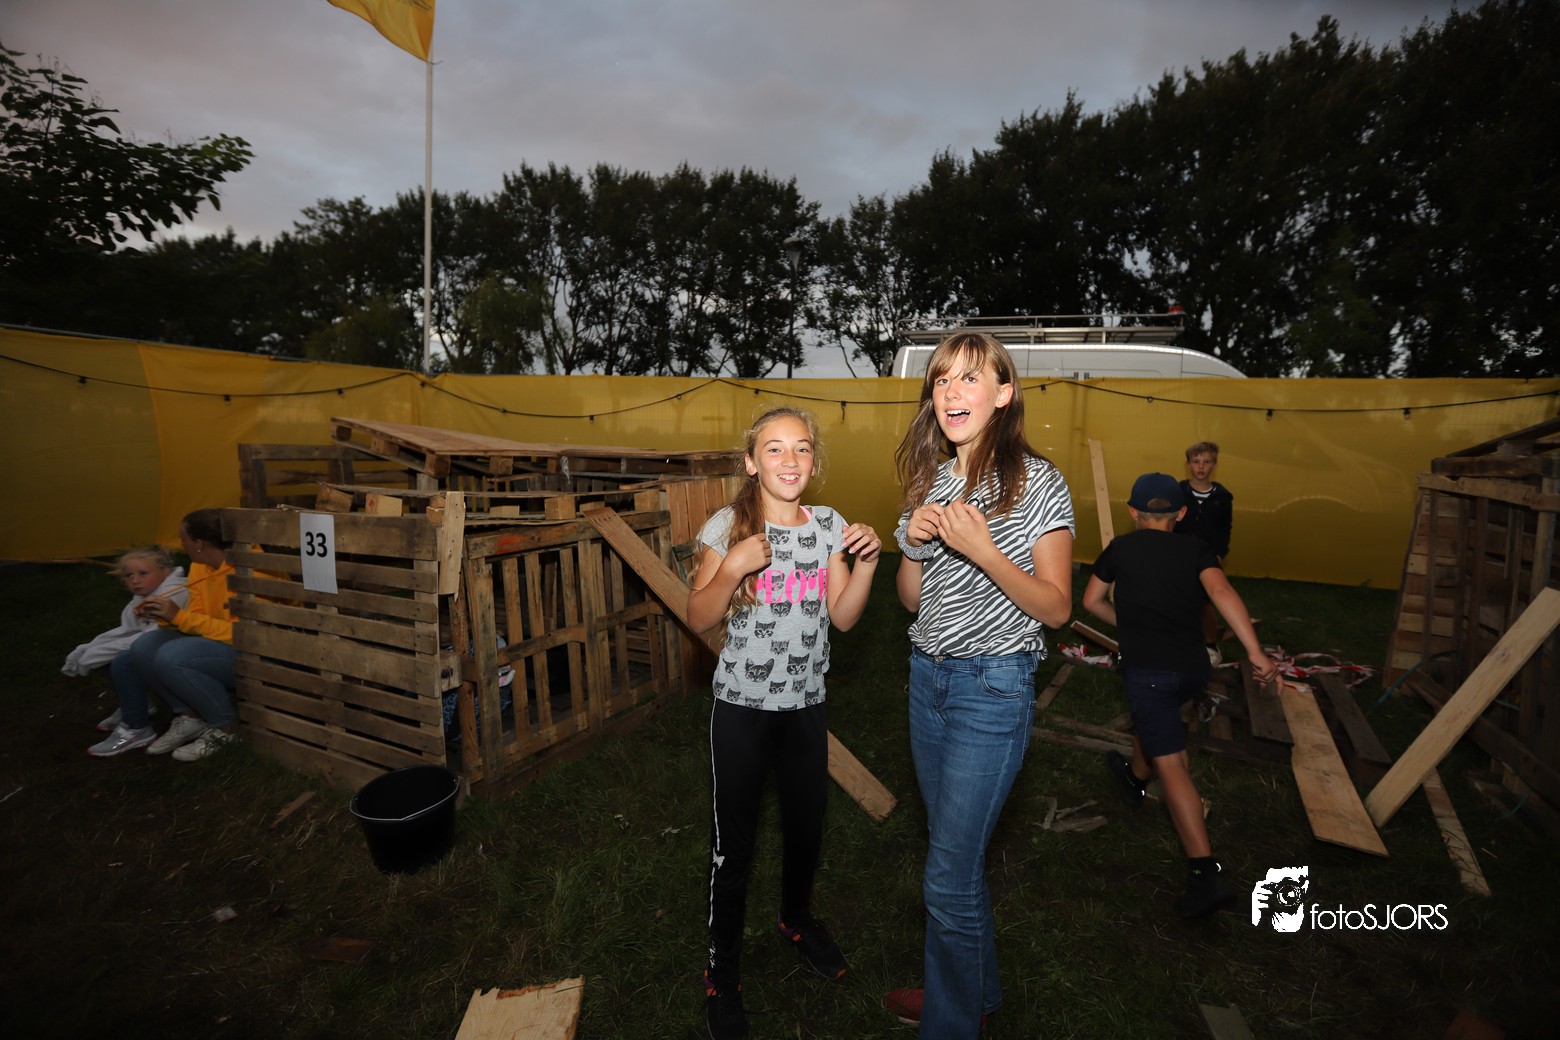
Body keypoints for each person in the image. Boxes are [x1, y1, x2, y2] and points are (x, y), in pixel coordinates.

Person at [885, 333, 1075, 1037]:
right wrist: (913, 544)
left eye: (970, 378)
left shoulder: (1038, 482)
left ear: (1003, 394)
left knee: (946, 874)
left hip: (991, 689)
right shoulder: (933, 481)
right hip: (926, 681)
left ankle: (953, 1021)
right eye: (941, 381)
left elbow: (1057, 606)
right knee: (955, 863)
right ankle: (973, 996)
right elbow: (912, 600)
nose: (952, 392)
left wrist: (984, 550)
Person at [687, 407, 881, 1040]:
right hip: (741, 712)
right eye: (774, 449)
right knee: (734, 849)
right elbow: (698, 616)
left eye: (801, 448)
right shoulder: (727, 527)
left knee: (806, 828)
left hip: (804, 710)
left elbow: (843, 617)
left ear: (813, 461)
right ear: (752, 462)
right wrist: (734, 567)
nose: (789, 460)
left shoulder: (828, 526)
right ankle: (721, 974)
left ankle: (795, 919)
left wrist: (867, 565)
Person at [1082, 473, 1277, 918]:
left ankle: (1205, 873)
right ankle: (1135, 777)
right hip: (1192, 670)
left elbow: (1091, 601)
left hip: (1149, 671)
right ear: (1182, 513)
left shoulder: (1120, 549)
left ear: (1132, 512)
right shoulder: (1197, 549)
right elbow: (1221, 592)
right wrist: (1255, 652)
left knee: (1173, 764)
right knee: (1157, 720)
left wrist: (1132, 627)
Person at [88, 509, 244, 761]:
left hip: (256, 651)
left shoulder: (249, 570)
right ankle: (190, 717)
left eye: (184, 539)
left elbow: (242, 635)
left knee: (172, 655)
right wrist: (165, 616)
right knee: (144, 646)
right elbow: (199, 617)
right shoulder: (201, 567)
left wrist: (178, 616)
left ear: (199, 543)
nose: (181, 544)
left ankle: (226, 728)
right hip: (221, 642)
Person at [61, 546, 189, 732]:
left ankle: (135, 726)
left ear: (165, 571)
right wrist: (88, 647)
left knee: (122, 661)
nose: (135, 580)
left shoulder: (174, 593)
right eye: (129, 576)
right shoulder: (143, 594)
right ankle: (136, 703)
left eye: (143, 573)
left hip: (180, 644)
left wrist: (98, 652)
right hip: (159, 640)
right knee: (107, 658)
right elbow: (129, 629)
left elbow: (152, 635)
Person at [1174, 441, 1234, 661]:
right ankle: (1177, 639)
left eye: (1206, 462)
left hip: (1206, 557)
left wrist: (1220, 553)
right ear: (1188, 464)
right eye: (1196, 461)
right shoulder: (1178, 491)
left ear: (1214, 465)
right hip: (1179, 554)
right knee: (1176, 596)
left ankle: (1210, 644)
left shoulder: (1223, 497)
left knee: (1203, 602)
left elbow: (1225, 528)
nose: (1201, 466)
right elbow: (1169, 521)